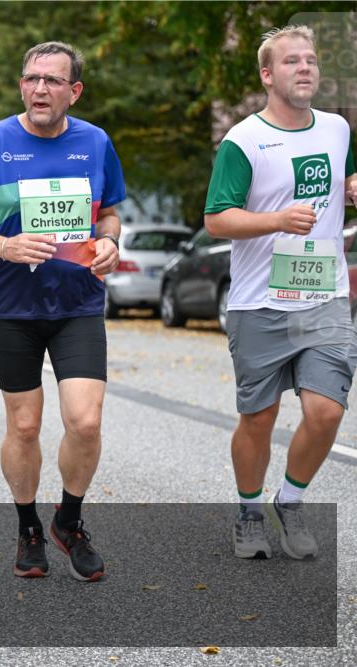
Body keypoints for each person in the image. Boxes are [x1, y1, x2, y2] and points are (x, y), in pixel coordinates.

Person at [0, 41, 125, 581]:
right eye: (31, 79)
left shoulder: (95, 142)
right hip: (11, 306)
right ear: (22, 85)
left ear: (75, 91)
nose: (39, 88)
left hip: (78, 303)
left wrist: (110, 242)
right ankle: (28, 528)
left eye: (52, 80)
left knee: (85, 421)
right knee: (24, 426)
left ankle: (68, 520)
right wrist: (5, 246)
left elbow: (110, 213)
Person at [202, 25, 357, 561]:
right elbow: (217, 220)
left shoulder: (337, 129)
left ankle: (289, 501)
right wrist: (276, 220)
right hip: (260, 302)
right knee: (259, 418)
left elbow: (344, 181)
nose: (305, 67)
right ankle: (249, 511)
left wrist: (352, 187)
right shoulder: (243, 140)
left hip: (324, 295)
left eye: (310, 59)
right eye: (292, 61)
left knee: (326, 411)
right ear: (268, 75)